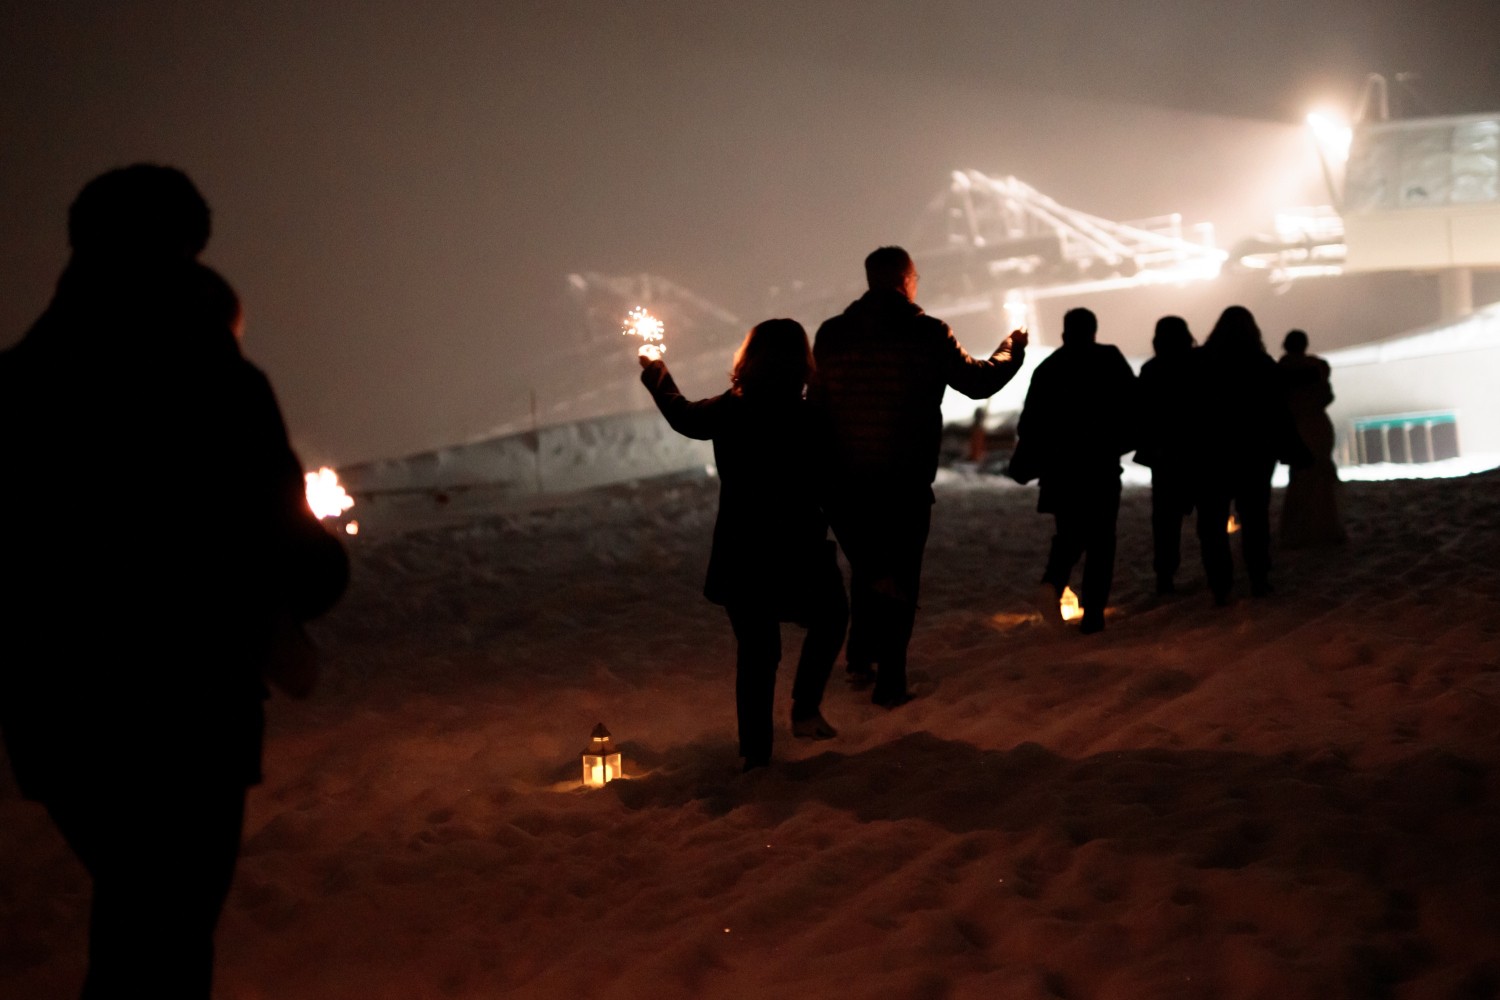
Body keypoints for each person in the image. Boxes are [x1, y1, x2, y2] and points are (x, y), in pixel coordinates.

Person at [0, 165, 348, 998]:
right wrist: (316, 567)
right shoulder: (216, 384)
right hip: (188, 709)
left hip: (57, 715)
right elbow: (291, 557)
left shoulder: (15, 387)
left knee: (136, 927)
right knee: (164, 940)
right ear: (186, 250)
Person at [811, 246, 1026, 705]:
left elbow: (818, 403)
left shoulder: (831, 334)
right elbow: (978, 382)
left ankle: (859, 658)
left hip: (845, 479)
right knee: (900, 574)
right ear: (907, 280)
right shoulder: (926, 331)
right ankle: (891, 682)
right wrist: (1013, 349)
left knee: (869, 565)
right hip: (904, 478)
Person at [638, 320, 847, 772]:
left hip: (743, 552)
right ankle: (805, 709)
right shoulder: (811, 417)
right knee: (831, 618)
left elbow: (682, 415)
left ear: (749, 359)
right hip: (799, 550)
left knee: (757, 652)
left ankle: (756, 754)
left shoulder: (731, 410)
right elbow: (834, 491)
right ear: (801, 360)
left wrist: (656, 370)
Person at [1011, 307, 1136, 634]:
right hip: (1100, 465)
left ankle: (1052, 582)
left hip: (1060, 470)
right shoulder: (1109, 360)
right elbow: (1134, 406)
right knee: (1101, 541)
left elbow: (1030, 425)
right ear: (1094, 331)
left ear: (1064, 332)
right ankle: (1093, 614)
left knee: (1070, 532)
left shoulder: (1048, 368)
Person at [1188, 305, 1290, 604]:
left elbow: (1187, 409)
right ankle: (1258, 578)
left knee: (1211, 524)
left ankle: (1220, 585)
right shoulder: (1261, 363)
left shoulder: (1199, 362)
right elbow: (1277, 410)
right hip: (1253, 453)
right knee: (1255, 519)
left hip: (1210, 454)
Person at [1134, 315, 1198, 594]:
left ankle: (1165, 574)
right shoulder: (1200, 364)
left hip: (1164, 455)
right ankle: (1218, 571)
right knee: (1210, 514)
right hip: (1198, 450)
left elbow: (1142, 414)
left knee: (1165, 521)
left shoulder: (1151, 370)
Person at [1278, 329, 1346, 548]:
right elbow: (1327, 396)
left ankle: (1299, 531)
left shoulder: (1281, 370)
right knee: (1321, 480)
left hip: (1297, 428)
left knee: (1299, 480)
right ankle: (1325, 529)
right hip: (1319, 426)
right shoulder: (1317, 367)